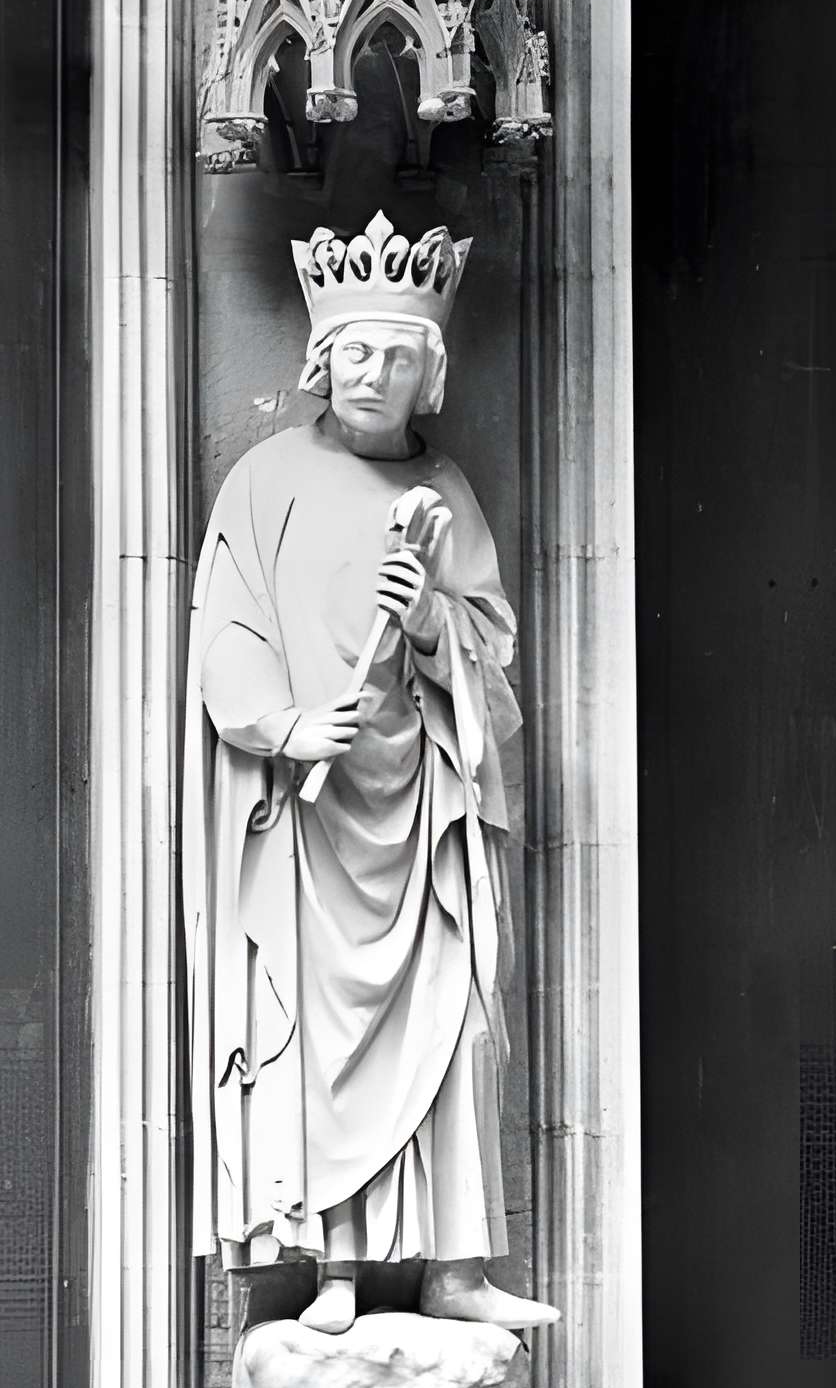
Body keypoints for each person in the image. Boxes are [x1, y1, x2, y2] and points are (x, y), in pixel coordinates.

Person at [183, 210, 557, 1331]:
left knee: (450, 1025)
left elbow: (492, 659)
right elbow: (227, 635)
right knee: (325, 1034)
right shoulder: (264, 480)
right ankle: (336, 1266)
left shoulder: (445, 494)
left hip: (423, 805)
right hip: (317, 819)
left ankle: (454, 1268)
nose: (373, 371)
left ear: (426, 374)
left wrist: (433, 616)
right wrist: (291, 727)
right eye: (355, 351)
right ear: (320, 359)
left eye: (398, 355)